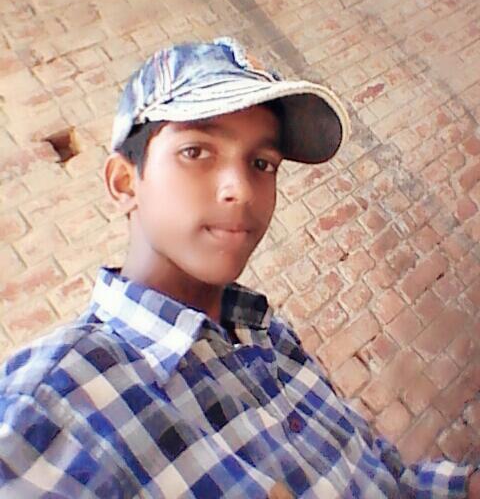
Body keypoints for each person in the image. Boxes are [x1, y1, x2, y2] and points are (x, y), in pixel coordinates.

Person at [0, 37, 478, 498]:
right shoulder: (56, 403)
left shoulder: (268, 339)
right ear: (125, 182)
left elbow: (387, 481)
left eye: (262, 163)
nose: (241, 189)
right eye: (196, 152)